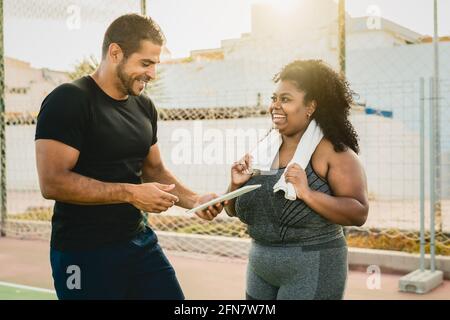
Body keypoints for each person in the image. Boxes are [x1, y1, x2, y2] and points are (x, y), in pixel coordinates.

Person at [35, 14, 226, 300]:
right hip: (83, 253)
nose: (152, 74)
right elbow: (52, 183)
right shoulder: (68, 100)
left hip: (140, 244)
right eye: (145, 63)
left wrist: (194, 200)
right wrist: (131, 193)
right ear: (115, 53)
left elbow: (154, 169)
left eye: (155, 64)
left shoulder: (145, 106)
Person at [224, 59, 369, 300]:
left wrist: (308, 193)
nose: (275, 106)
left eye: (286, 99)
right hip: (260, 266)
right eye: (274, 98)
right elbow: (234, 211)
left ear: (311, 106)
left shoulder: (334, 153)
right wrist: (235, 185)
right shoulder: (264, 150)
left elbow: (359, 213)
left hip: (312, 266)